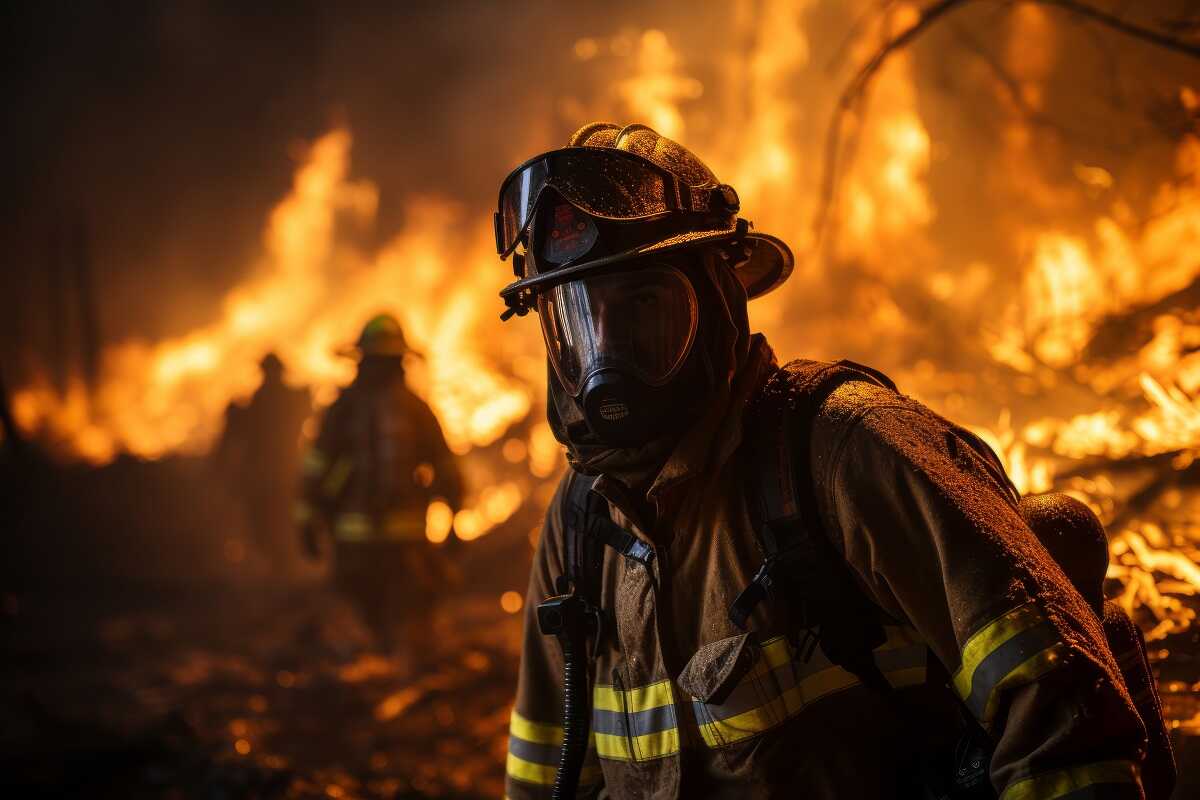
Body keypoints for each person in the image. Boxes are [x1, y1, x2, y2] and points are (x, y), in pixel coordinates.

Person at [496, 123, 1168, 799]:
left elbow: (1062, 724)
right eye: (578, 319)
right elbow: (544, 780)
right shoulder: (581, 525)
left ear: (717, 302)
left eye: (644, 304)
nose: (606, 354)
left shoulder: (845, 453)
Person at [295, 313, 463, 654]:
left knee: (362, 617)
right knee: (404, 619)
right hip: (408, 539)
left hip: (353, 540)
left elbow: (316, 470)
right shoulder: (416, 409)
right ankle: (396, 672)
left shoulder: (342, 408)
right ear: (401, 359)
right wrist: (454, 522)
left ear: (361, 358)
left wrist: (307, 521)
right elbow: (447, 472)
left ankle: (370, 677)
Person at [213, 352, 311, 568]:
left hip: (268, 474)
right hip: (281, 473)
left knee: (268, 522)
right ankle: (281, 565)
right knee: (276, 522)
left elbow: (241, 435)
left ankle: (278, 564)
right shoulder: (286, 399)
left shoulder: (262, 401)